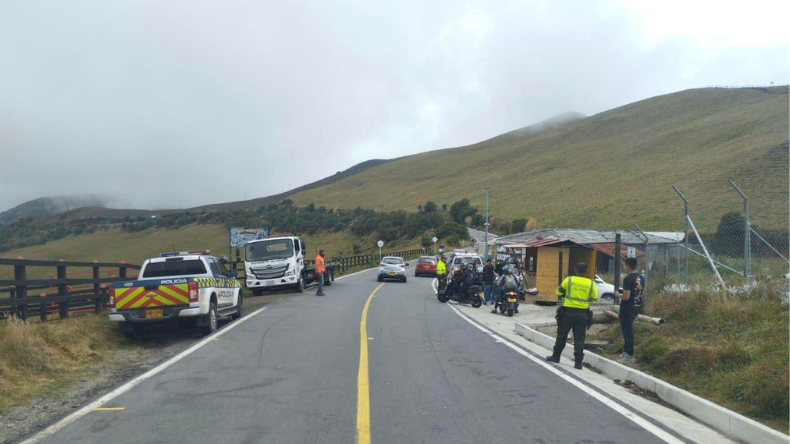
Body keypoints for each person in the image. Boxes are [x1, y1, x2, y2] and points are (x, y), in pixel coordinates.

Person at [546, 262, 598, 369]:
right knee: (579, 338)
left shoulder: (569, 280)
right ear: (587, 271)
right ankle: (578, 363)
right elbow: (594, 298)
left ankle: (556, 356)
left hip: (567, 313)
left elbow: (558, 292)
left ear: (575, 270)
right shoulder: (591, 283)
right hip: (582, 314)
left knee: (562, 335)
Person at [613, 257, 644, 363]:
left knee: (627, 332)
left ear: (629, 266)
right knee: (628, 330)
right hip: (636, 307)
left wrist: (618, 294)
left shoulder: (628, 279)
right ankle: (626, 352)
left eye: (625, 265)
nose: (624, 267)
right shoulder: (640, 278)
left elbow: (626, 296)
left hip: (627, 308)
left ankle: (629, 354)